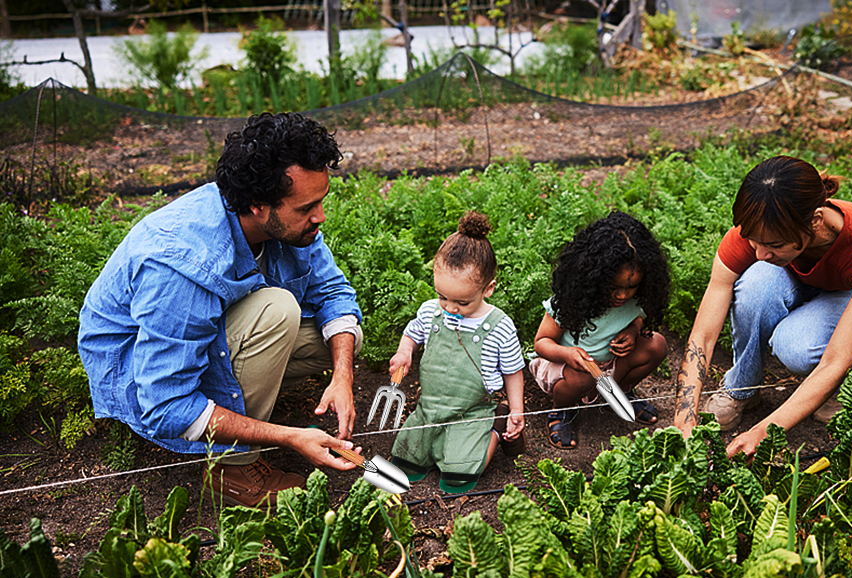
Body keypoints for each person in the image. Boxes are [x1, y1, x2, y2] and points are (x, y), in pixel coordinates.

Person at [78, 112, 364, 509]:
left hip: (213, 335)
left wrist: (343, 378)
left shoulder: (291, 225)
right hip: (141, 375)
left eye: (321, 201)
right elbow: (165, 406)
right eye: (306, 208)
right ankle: (232, 471)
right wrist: (287, 435)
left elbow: (332, 291)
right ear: (257, 205)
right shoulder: (181, 264)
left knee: (338, 340)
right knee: (278, 309)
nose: (320, 217)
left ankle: (243, 403)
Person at [673, 155, 852, 458]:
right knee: (754, 285)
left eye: (774, 245)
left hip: (851, 298)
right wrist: (684, 416)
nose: (760, 252)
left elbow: (834, 361)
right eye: (753, 241)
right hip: (795, 280)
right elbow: (703, 335)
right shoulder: (758, 229)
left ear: (815, 221)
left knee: (795, 346)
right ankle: (742, 387)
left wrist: (763, 431)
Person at [388, 211, 526, 494]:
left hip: (471, 411)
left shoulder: (499, 326)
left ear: (488, 289)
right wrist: (404, 352)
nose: (450, 307)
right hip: (431, 408)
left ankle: (495, 427)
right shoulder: (430, 311)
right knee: (405, 464)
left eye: (461, 301)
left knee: (459, 478)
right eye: (442, 296)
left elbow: (513, 371)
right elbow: (412, 333)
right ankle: (434, 443)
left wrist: (516, 410)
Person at [530, 210, 670, 449]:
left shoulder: (634, 300)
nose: (622, 295)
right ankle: (562, 411)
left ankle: (620, 393)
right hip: (566, 368)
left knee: (657, 344)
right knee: (582, 377)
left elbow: (638, 319)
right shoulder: (571, 300)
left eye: (631, 287)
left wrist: (634, 331)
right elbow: (541, 342)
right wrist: (567, 353)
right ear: (594, 277)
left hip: (607, 366)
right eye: (613, 287)